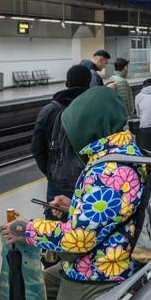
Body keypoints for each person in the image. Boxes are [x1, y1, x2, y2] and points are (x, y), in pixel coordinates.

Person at [0, 86, 151, 300]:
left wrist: (27, 230)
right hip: (105, 256)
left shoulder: (110, 169)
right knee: (40, 288)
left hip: (98, 271)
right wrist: (73, 206)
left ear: (89, 125)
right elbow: (111, 212)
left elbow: (78, 239)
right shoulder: (117, 156)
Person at [30, 64, 92, 210]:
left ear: (67, 83)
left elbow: (37, 147)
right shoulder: (94, 109)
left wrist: (50, 172)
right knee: (85, 227)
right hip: (90, 181)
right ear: (89, 84)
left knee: (54, 227)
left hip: (58, 182)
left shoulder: (49, 110)